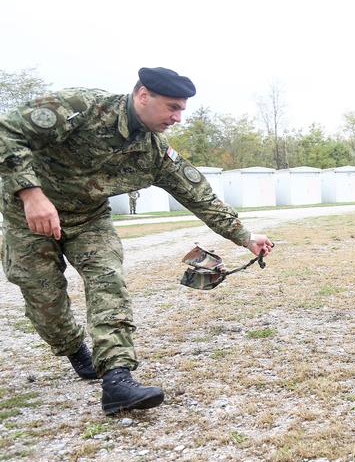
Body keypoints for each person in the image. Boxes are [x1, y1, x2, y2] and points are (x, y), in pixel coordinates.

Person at [0, 67, 274, 415]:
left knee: (107, 279)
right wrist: (30, 193)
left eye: (181, 110)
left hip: (88, 220)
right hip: (28, 216)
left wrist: (246, 238)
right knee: (45, 299)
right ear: (143, 95)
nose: (177, 117)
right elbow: (8, 130)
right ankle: (72, 347)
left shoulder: (153, 151)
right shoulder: (81, 107)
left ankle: (117, 377)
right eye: (172, 107)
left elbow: (199, 195)